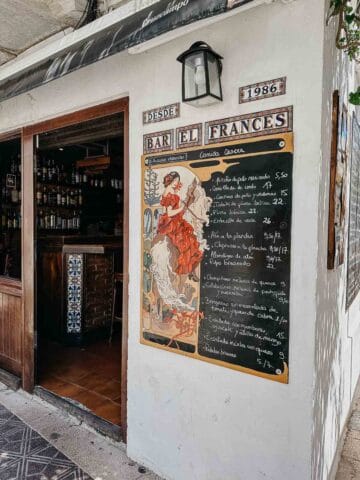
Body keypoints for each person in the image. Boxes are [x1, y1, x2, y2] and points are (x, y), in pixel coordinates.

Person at [157, 171, 202, 281]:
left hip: (176, 218)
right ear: (170, 180)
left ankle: (191, 270)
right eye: (174, 180)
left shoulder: (172, 190)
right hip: (170, 222)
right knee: (187, 241)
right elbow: (169, 213)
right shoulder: (168, 191)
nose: (175, 183)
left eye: (177, 181)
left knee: (192, 238)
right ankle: (188, 269)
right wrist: (181, 209)